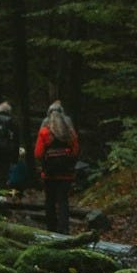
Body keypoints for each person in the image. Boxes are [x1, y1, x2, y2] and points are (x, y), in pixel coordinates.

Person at [34, 100, 80, 234]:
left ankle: (51, 229)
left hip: (49, 173)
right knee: (63, 201)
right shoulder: (69, 132)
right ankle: (64, 229)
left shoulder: (44, 132)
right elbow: (76, 151)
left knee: (50, 201)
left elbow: (38, 153)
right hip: (66, 173)